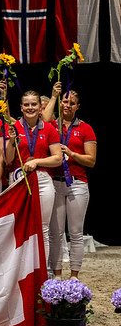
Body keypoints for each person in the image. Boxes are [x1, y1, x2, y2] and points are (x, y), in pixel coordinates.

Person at [43, 83, 97, 280]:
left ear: (77, 106)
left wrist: (71, 153)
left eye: (72, 103)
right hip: (55, 183)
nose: (67, 105)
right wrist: (54, 96)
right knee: (55, 234)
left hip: (77, 184)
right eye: (65, 101)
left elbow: (91, 161)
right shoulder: (51, 126)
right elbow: (44, 119)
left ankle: (74, 276)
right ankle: (57, 275)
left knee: (75, 233)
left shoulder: (85, 129)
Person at [4, 90, 62, 267]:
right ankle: (20, 271)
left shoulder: (49, 128)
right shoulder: (14, 128)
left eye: (34, 104)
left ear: (40, 108)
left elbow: (58, 158)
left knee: (42, 228)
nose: (30, 108)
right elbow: (7, 160)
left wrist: (36, 161)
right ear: (21, 107)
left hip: (43, 180)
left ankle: (42, 272)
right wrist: (11, 141)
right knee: (19, 226)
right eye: (26, 104)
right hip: (18, 179)